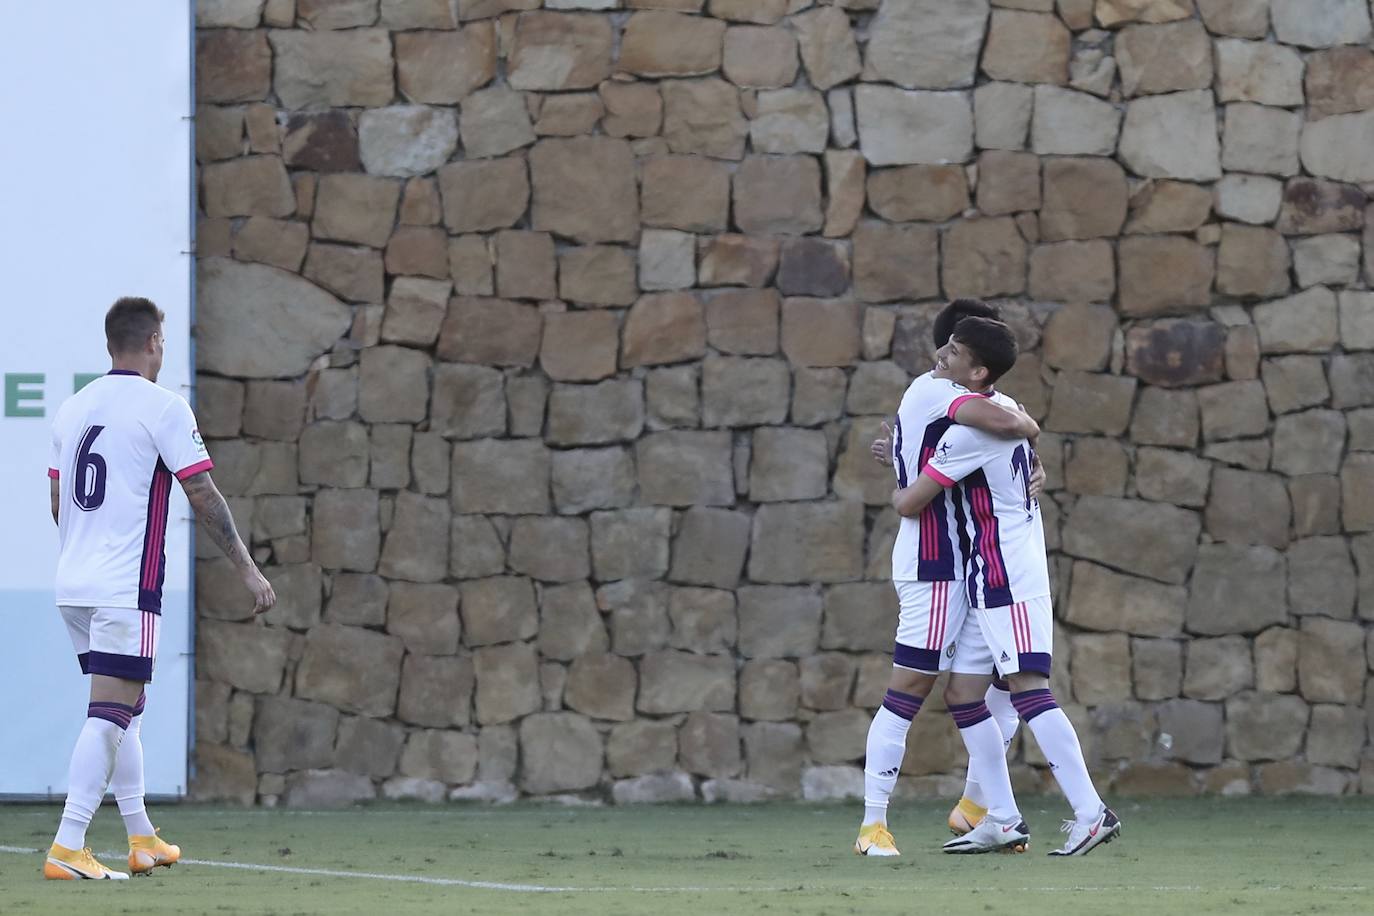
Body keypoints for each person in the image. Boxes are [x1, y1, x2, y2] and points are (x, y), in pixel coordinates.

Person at [43, 297, 276, 880]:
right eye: (163, 341)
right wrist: (248, 568)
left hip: (74, 584)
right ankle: (67, 846)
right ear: (152, 343)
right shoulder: (163, 407)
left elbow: (56, 502)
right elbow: (203, 494)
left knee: (128, 711)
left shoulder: (73, 410)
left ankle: (141, 837)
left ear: (109, 344)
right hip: (125, 586)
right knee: (109, 714)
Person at [891, 316, 1122, 857]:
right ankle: (1001, 818)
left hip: (1007, 577)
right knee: (964, 694)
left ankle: (1091, 812)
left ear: (978, 372)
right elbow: (1021, 433)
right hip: (982, 579)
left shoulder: (976, 430)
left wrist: (903, 466)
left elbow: (908, 503)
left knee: (1029, 690)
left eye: (952, 352)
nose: (939, 357)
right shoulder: (1007, 412)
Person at [854, 301, 1041, 858]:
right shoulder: (934, 392)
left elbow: (1020, 454)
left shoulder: (975, 399)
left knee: (994, 685)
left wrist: (1032, 459)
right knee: (910, 686)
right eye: (954, 344)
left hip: (976, 565)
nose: (948, 353)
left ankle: (985, 809)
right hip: (933, 564)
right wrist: (1030, 426)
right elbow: (1012, 426)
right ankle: (873, 825)